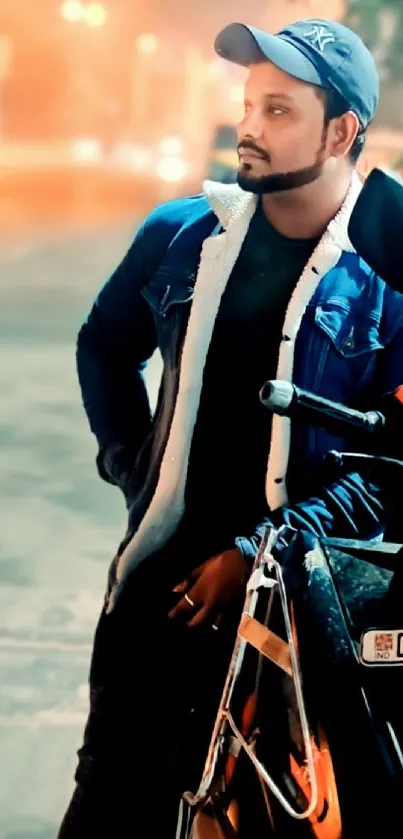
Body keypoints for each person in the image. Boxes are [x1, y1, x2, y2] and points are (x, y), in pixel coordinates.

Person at [58, 18, 403, 837]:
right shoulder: (181, 237)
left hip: (304, 619)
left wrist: (257, 551)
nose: (249, 126)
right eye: (249, 104)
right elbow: (103, 344)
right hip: (158, 597)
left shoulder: (385, 281)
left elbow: (390, 467)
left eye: (279, 110)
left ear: (341, 130)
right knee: (108, 809)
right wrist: (129, 462)